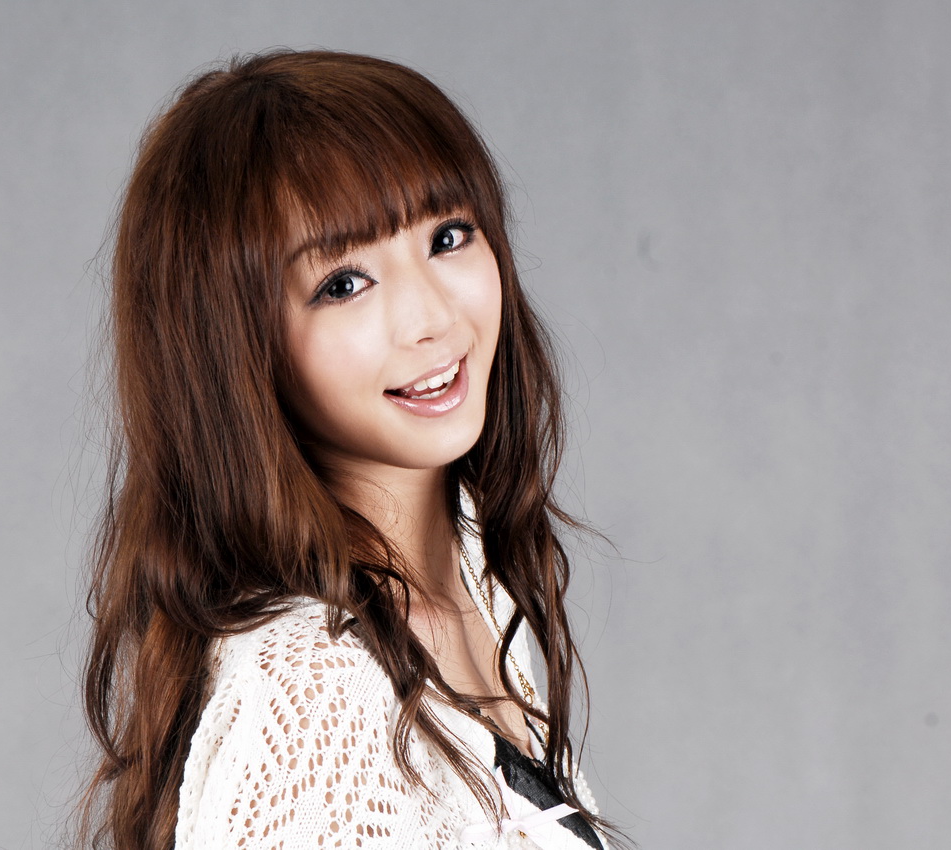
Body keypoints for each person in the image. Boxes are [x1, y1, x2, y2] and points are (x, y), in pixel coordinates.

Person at [78, 49, 612, 849]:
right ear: (238, 352)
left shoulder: (473, 573)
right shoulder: (314, 695)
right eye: (343, 284)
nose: (431, 317)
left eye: (448, 236)